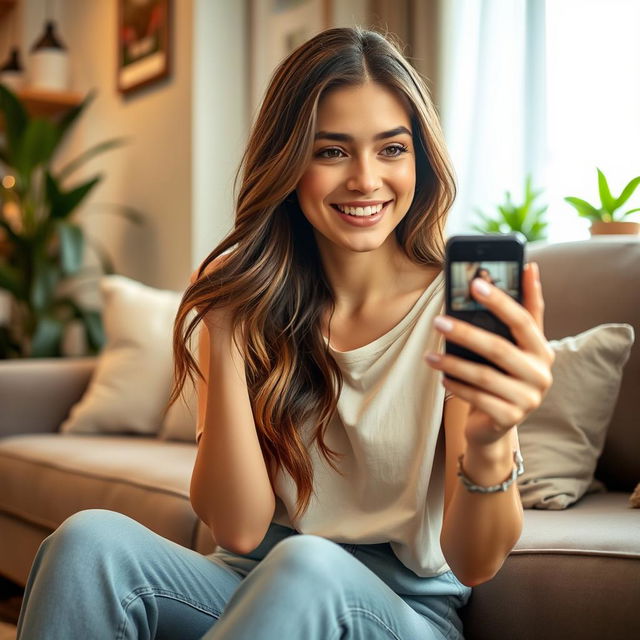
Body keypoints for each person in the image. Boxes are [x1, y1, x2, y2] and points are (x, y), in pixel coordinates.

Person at [16, 27, 554, 640]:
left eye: (391, 149)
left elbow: (475, 562)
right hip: (249, 579)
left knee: (308, 562)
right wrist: (222, 328)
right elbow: (240, 532)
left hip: (399, 611)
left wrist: (491, 440)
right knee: (87, 542)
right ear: (289, 162)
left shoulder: (454, 311)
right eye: (331, 152)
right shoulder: (256, 306)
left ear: (420, 159)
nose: (365, 180)